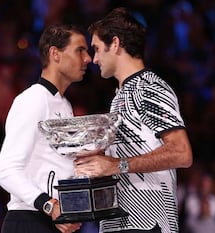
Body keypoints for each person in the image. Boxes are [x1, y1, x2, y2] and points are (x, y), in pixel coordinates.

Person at [74, 7, 193, 233]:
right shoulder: (122, 94)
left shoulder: (148, 87)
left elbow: (181, 153)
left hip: (147, 222)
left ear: (116, 44)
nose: (94, 58)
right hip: (121, 221)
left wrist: (116, 165)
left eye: (97, 49)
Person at [0, 24, 92, 233]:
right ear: (55, 54)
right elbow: (6, 170)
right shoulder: (33, 100)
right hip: (30, 220)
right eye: (80, 50)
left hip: (53, 221)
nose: (88, 59)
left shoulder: (63, 104)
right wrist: (49, 205)